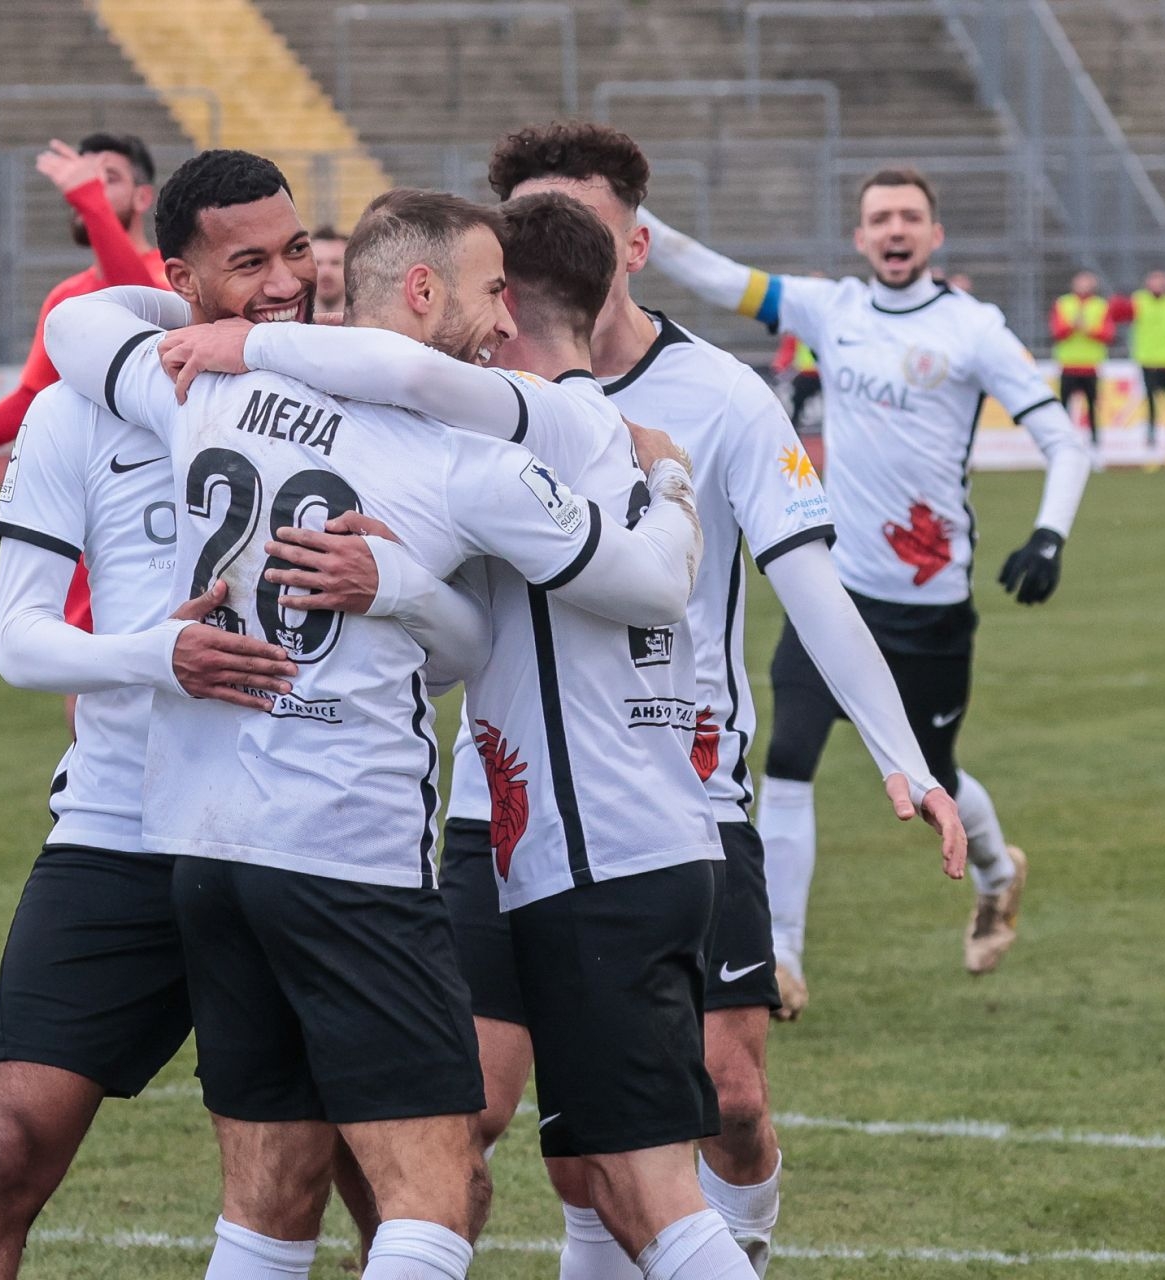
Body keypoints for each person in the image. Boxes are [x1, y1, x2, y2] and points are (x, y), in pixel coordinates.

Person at [148, 184, 964, 1278]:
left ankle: (742, 1235)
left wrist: (244, 341)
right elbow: (459, 645)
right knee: (560, 1161)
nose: (491, 317)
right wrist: (398, 580)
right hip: (515, 830)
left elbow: (676, 579)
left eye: (500, 290)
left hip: (627, 832)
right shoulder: (474, 425)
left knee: (655, 1168)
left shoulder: (556, 417)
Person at [45, 164, 717, 1280]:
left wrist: (220, 328)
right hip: (347, 848)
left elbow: (75, 325)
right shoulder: (469, 456)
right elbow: (650, 587)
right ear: (420, 291)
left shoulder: (199, 390)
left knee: (266, 1203)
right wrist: (676, 484)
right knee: (433, 1199)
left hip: (204, 848)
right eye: (491, 290)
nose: (503, 318)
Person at [0, 146, 311, 1280]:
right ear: (178, 279)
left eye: (295, 251)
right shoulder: (73, 414)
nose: (286, 282)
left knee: (351, 1178)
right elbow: (23, 639)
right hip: (116, 826)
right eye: (249, 264)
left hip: (290, 833)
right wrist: (156, 656)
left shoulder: (339, 396)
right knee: (8, 1148)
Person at [638, 167, 1094, 997]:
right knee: (788, 758)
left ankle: (997, 872)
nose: (895, 229)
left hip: (930, 605)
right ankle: (784, 957)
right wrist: (634, 215)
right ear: (859, 237)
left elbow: (1066, 442)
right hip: (835, 590)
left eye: (910, 217)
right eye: (880, 217)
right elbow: (716, 275)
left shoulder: (975, 329)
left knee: (934, 776)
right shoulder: (830, 310)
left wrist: (1048, 537)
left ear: (934, 235)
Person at [0, 133, 168, 635]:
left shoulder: (171, 276)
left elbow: (145, 313)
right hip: (90, 504)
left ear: (142, 197)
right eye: (84, 180)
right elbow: (32, 398)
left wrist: (89, 199)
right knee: (82, 658)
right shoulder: (67, 297)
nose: (87, 189)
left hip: (157, 501)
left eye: (107, 179)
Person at [1111, 269, 1165, 470]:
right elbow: (1117, 315)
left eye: (1162, 281)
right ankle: (1151, 452)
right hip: (1148, 362)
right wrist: (1118, 299)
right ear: (1148, 282)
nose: (1159, 284)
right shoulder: (1139, 300)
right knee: (1152, 407)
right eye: (1155, 280)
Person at [1050, 269, 1114, 451]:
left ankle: (1095, 446)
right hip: (1068, 364)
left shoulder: (1100, 305)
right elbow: (1057, 332)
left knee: (1093, 408)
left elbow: (1108, 334)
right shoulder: (1063, 303)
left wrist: (1087, 329)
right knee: (1064, 409)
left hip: (1090, 365)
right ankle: (1063, 444)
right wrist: (1073, 326)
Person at [310, 224, 348, 315]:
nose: (326, 271)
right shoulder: (289, 322)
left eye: (335, 263)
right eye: (317, 263)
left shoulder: (370, 322)